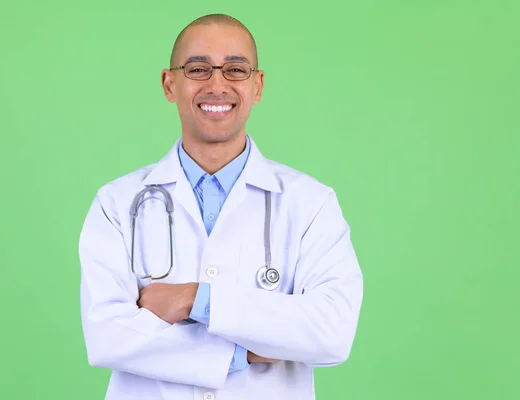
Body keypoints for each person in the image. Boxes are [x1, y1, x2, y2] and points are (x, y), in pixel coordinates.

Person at [78, 13, 364, 400]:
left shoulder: (311, 204)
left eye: (235, 69)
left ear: (257, 85)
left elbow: (332, 331)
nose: (217, 85)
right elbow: (107, 336)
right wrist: (243, 352)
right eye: (198, 69)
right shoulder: (117, 203)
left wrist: (194, 299)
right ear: (169, 83)